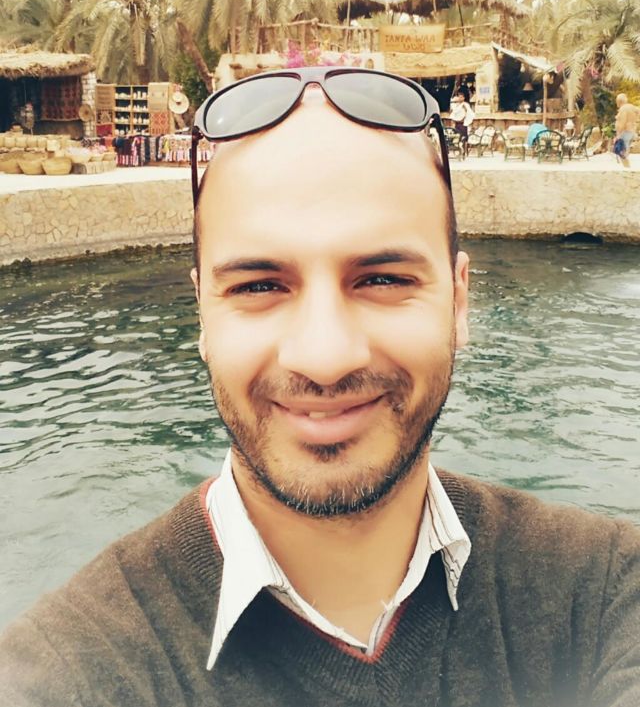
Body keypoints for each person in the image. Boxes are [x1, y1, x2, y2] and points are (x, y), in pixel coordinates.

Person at [1, 67, 639, 707]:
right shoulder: (64, 672)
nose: (325, 358)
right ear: (202, 316)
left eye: (383, 279)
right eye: (258, 286)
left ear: (459, 301)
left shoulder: (607, 594)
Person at [614, 92, 640, 168]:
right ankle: (627, 167)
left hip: (625, 131)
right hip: (631, 131)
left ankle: (627, 168)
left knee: (622, 151)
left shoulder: (623, 109)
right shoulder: (632, 107)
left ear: (619, 101)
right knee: (625, 150)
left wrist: (618, 134)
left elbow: (622, 122)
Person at [449, 92, 474, 157]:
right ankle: (458, 151)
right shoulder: (456, 105)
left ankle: (464, 152)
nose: (460, 98)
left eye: (461, 97)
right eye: (459, 97)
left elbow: (468, 113)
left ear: (463, 98)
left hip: (463, 124)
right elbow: (453, 113)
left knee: (464, 138)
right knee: (457, 137)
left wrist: (463, 119)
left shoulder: (465, 105)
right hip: (457, 124)